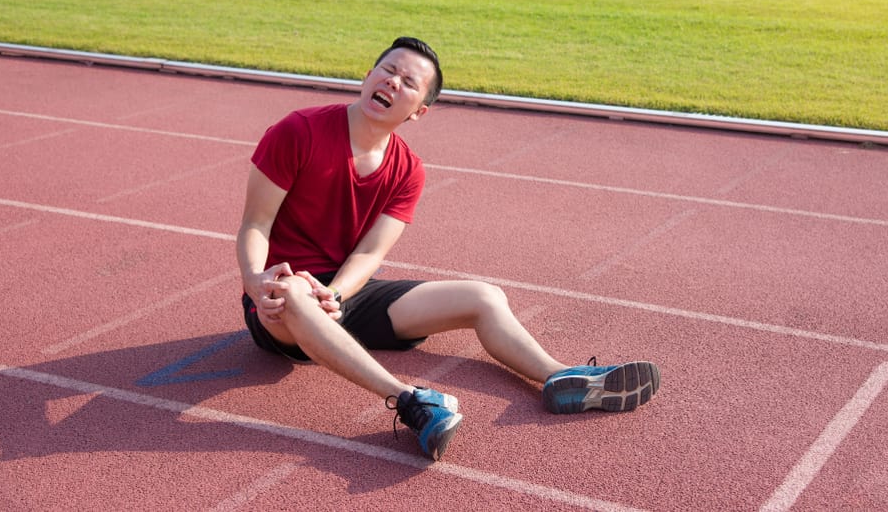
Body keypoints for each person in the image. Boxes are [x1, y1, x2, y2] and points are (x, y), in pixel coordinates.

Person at [236, 37, 660, 461]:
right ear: (368, 77)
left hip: (345, 295)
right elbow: (255, 224)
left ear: (420, 111)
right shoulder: (299, 132)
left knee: (483, 296)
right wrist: (256, 282)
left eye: (408, 82)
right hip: (279, 300)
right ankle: (409, 402)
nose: (392, 82)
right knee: (293, 293)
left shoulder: (408, 171)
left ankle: (562, 378)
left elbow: (368, 255)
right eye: (387, 71)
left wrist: (337, 295)